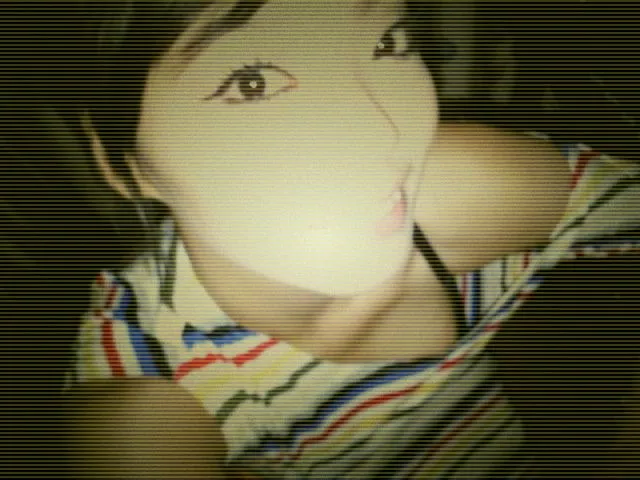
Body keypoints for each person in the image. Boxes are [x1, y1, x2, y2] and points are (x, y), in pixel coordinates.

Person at [61, 1, 640, 478]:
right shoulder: (145, 399)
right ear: (123, 165)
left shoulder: (454, 195)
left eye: (388, 43)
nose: (379, 135)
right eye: (250, 82)